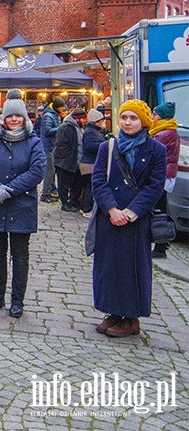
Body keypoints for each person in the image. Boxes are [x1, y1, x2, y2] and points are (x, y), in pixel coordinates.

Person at [92, 100, 166, 338]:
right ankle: (113, 311)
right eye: (124, 117)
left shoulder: (156, 150)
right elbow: (98, 182)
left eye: (133, 118)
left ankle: (131, 318)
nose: (128, 122)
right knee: (109, 267)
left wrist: (131, 212)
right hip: (110, 218)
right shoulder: (108, 147)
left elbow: (155, 186)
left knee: (131, 269)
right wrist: (112, 209)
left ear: (142, 121)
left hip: (136, 221)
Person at [0, 89, 46, 318]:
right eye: (10, 116)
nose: (14, 119)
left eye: (18, 116)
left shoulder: (34, 143)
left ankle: (18, 300)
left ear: (24, 118)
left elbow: (37, 171)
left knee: (20, 255)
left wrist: (11, 189)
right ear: (4, 118)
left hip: (21, 206)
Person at [149, 102, 179, 258]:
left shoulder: (163, 133)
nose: (152, 116)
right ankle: (160, 244)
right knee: (159, 209)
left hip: (161, 176)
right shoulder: (167, 130)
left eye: (155, 114)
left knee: (159, 212)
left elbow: (151, 153)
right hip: (165, 175)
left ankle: (161, 245)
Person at [53, 108, 86, 213]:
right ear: (78, 119)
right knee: (64, 183)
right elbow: (61, 146)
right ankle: (64, 203)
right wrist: (66, 159)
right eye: (83, 119)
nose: (85, 121)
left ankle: (73, 201)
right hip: (65, 162)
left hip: (76, 162)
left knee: (76, 183)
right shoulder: (66, 127)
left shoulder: (79, 128)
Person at [79, 108, 108, 217]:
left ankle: (85, 207)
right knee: (90, 187)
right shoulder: (91, 132)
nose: (103, 123)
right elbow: (89, 146)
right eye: (101, 121)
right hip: (89, 164)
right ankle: (87, 209)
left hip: (90, 163)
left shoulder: (93, 131)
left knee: (89, 187)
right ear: (96, 121)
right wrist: (105, 145)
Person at [40, 97, 67, 203]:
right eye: (62, 107)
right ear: (57, 107)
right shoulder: (48, 115)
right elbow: (47, 131)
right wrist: (61, 128)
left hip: (53, 146)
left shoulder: (55, 114)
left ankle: (52, 190)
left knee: (53, 170)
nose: (64, 109)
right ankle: (45, 193)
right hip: (48, 146)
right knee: (49, 171)